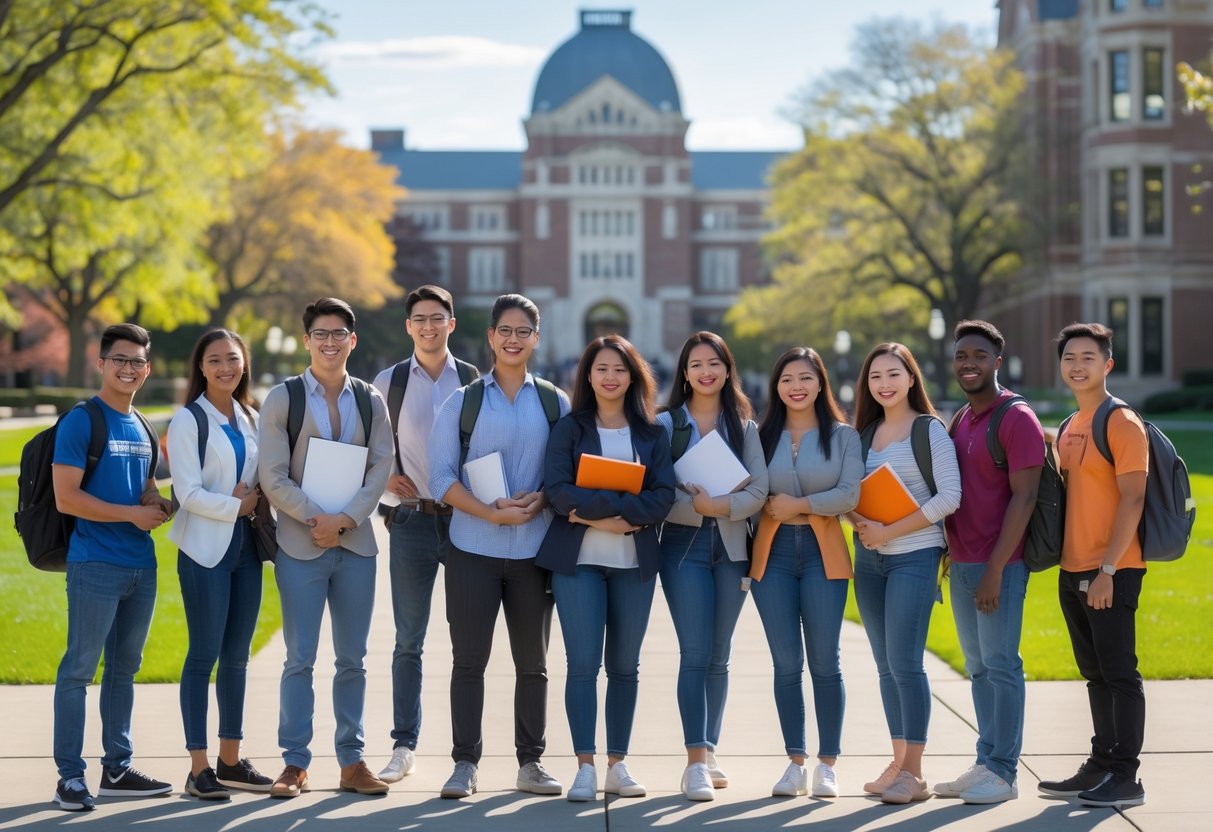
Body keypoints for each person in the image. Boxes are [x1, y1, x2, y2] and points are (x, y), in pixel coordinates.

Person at [428, 293, 571, 799]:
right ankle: (464, 764)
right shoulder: (463, 401)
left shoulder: (555, 402)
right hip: (472, 549)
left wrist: (545, 497)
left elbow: (569, 473)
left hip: (534, 552)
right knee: (468, 662)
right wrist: (488, 511)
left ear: (536, 338)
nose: (513, 339)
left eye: (523, 331)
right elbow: (440, 477)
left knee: (533, 663)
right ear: (490, 337)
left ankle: (530, 763)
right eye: (504, 330)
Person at [257, 297, 394, 798]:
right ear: (307, 339)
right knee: (299, 658)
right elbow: (271, 476)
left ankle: (352, 761)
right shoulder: (283, 398)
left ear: (351, 340)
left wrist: (345, 520)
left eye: (339, 334)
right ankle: (294, 763)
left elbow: (381, 467)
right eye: (321, 333)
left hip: (356, 545)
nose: (330, 342)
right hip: (300, 544)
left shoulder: (368, 400)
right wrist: (317, 520)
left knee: (353, 659)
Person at [536, 335, 676, 802]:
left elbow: (662, 496)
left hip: (633, 563)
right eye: (601, 369)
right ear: (588, 376)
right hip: (579, 564)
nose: (610, 377)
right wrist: (611, 511)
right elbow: (557, 490)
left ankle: (618, 763)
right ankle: (583, 765)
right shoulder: (569, 428)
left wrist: (609, 513)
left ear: (633, 375)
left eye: (619, 369)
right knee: (581, 665)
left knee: (625, 667)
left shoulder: (654, 433)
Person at [51, 323, 173, 811]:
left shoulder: (144, 425)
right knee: (79, 669)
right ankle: (69, 777)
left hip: (141, 566)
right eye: (120, 360)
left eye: (138, 362)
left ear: (147, 368)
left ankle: (117, 768)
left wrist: (153, 502)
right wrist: (130, 514)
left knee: (125, 669)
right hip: (95, 563)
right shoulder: (82, 420)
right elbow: (66, 497)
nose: (129, 369)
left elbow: (141, 486)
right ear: (101, 363)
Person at [1037, 322, 1148, 809]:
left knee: (1120, 673)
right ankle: (1102, 764)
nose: (1077, 365)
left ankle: (1127, 776)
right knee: (1095, 674)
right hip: (1072, 569)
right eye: (1069, 358)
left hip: (1112, 570)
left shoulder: (1119, 421)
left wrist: (1107, 569)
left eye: (1087, 357)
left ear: (1108, 364)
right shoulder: (1071, 425)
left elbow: (1134, 498)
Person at [371, 285, 478, 783]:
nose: (428, 327)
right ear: (408, 326)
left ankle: (465, 754)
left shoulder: (475, 382)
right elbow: (366, 452)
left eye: (437, 318)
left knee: (467, 642)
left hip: (464, 524)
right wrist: (382, 480)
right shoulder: (387, 383)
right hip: (411, 520)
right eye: (419, 319)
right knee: (407, 640)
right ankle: (403, 744)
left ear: (451, 324)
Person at [846, 342, 961, 805]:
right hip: (870, 559)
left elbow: (949, 497)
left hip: (915, 556)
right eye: (876, 377)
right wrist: (861, 526)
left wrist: (890, 528)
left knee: (907, 664)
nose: (885, 384)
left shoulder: (928, 430)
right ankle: (897, 762)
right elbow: (847, 494)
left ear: (911, 377)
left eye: (893, 374)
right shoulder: (863, 433)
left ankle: (914, 773)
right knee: (884, 665)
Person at [657, 331, 769, 802]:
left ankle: (711, 748)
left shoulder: (744, 428)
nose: (706, 372)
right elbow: (657, 496)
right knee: (695, 652)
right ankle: (695, 762)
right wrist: (696, 509)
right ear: (685, 373)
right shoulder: (664, 426)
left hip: (731, 550)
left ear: (727, 370)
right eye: (697, 364)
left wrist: (715, 506)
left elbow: (757, 492)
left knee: (719, 655)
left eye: (714, 363)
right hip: (682, 549)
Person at [935, 321, 1043, 805]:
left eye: (979, 355)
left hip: (1001, 564)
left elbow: (1024, 499)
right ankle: (986, 760)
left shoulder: (1016, 418)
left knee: (1001, 665)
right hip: (962, 563)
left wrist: (997, 569)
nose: (969, 363)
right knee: (978, 667)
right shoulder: (961, 419)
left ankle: (1004, 772)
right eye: (961, 356)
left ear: (998, 361)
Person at [751, 347, 862, 798]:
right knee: (786, 664)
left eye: (805, 378)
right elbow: (750, 490)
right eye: (786, 379)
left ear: (820, 383)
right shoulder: (759, 436)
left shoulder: (843, 437)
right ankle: (795, 761)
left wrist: (799, 505)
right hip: (771, 558)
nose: (796, 386)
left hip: (824, 555)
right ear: (776, 387)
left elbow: (849, 495)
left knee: (824, 662)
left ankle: (827, 764)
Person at [169, 329, 274, 800]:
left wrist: (252, 503)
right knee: (204, 655)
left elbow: (260, 479)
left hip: (247, 551)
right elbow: (186, 493)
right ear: (201, 368)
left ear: (244, 363)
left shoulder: (253, 415)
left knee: (237, 658)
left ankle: (231, 762)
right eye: (215, 361)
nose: (225, 368)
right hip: (205, 552)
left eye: (232, 359)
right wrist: (237, 504)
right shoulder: (188, 420)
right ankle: (198, 768)